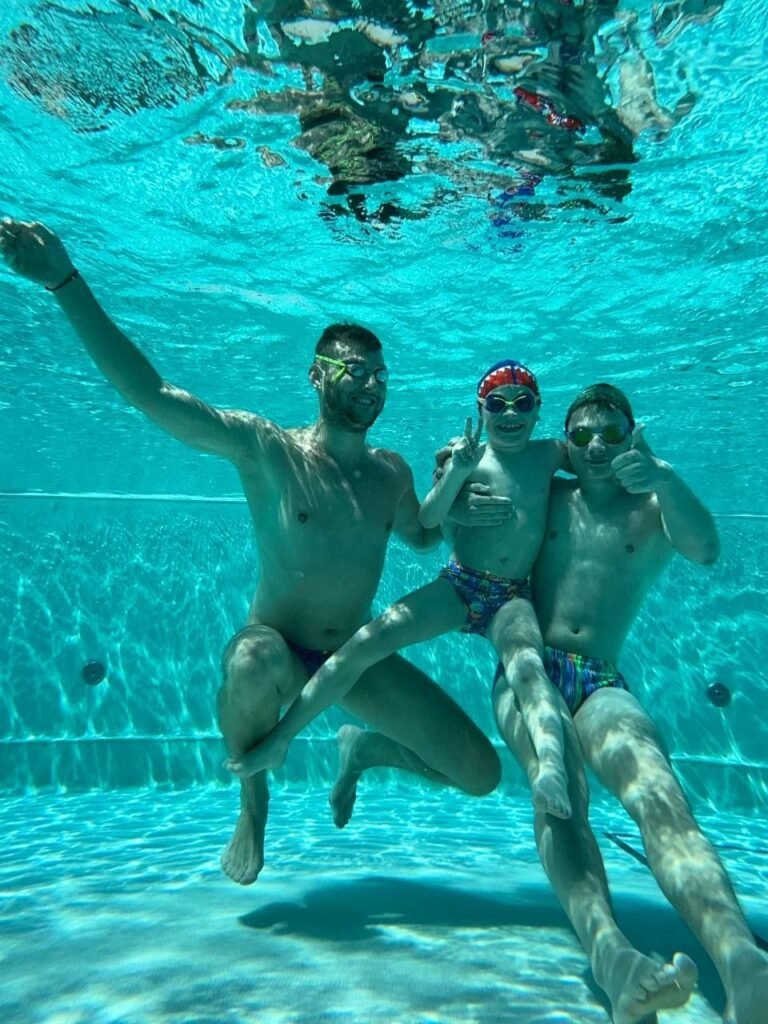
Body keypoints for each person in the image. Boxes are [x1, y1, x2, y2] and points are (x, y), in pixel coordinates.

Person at [0, 216, 500, 885]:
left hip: (353, 658)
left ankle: (362, 750)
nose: (372, 384)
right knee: (249, 660)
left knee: (480, 774)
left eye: (381, 373)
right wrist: (65, 282)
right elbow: (152, 395)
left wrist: (458, 492)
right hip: (279, 645)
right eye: (355, 370)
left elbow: (424, 538)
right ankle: (252, 798)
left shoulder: (390, 472)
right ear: (316, 376)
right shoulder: (268, 449)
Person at [491, 382, 768, 1024]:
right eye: (582, 436)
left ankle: (741, 960)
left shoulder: (652, 509)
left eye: (610, 434)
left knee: (657, 791)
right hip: (526, 671)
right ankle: (611, 957)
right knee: (561, 798)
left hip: (600, 678)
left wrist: (664, 476)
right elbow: (484, 502)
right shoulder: (548, 496)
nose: (595, 447)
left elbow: (707, 549)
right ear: (566, 441)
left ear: (631, 438)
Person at [227, 359, 578, 821]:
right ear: (481, 409)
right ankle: (281, 739)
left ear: (538, 410)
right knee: (362, 645)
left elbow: (597, 456)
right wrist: (456, 474)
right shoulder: (468, 458)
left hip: (512, 596)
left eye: (523, 403)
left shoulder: (550, 453)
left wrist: (647, 467)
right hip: (461, 583)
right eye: (498, 403)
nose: (510, 413)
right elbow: (429, 520)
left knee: (527, 665)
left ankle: (550, 769)